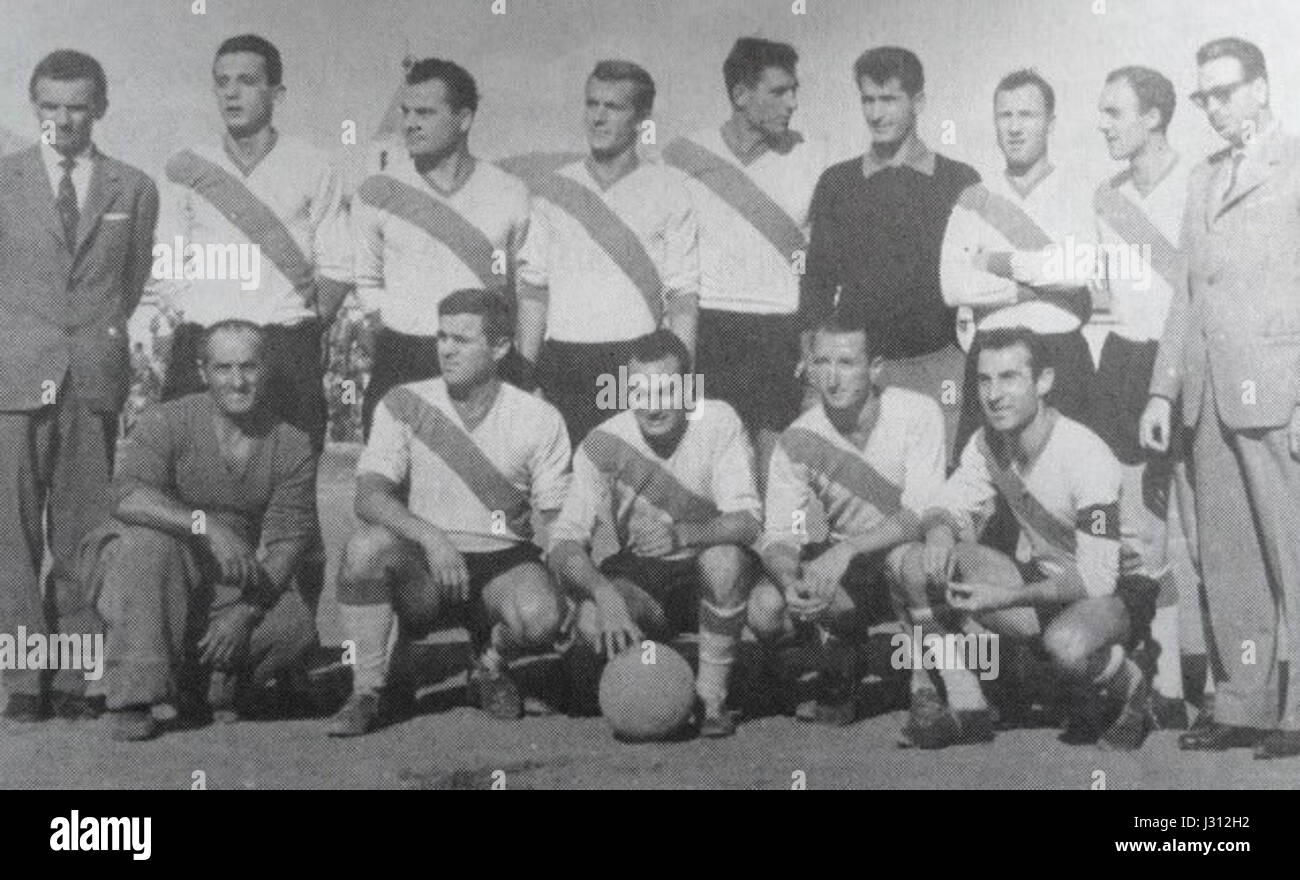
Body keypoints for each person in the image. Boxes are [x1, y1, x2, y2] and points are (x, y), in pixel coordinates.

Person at [1139, 37, 1300, 760]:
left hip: (1279, 391)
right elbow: (1188, 291)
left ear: (1262, 88)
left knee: (1293, 555)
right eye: (1203, 96)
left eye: (1225, 92)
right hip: (1207, 394)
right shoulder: (1203, 178)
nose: (1213, 108)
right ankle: (1245, 705)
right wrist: (1161, 389)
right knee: (1230, 562)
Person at [893, 328, 1159, 750]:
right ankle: (968, 705)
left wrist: (999, 599)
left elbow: (1095, 580)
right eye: (984, 380)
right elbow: (947, 504)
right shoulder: (988, 443)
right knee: (914, 562)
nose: (994, 394)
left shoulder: (1086, 455)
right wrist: (941, 534)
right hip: (1049, 581)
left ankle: (1130, 681)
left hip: (1117, 589)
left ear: (1044, 381)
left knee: (1067, 647)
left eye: (1010, 378)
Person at [329, 289, 571, 737]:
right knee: (365, 549)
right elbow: (368, 497)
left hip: (502, 562)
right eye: (441, 336)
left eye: (461, 339)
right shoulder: (404, 401)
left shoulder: (539, 417)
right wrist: (431, 538)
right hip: (427, 566)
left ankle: (488, 667)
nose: (445, 349)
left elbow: (557, 518)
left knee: (542, 616)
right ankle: (368, 689)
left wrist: (572, 582)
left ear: (499, 348)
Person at [0, 50, 158, 722]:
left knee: (85, 533)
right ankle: (23, 675)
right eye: (50, 107)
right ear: (34, 109)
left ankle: (75, 677)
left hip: (92, 375)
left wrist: (96, 341)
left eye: (78, 106)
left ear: (101, 107)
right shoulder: (3, 182)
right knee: (10, 534)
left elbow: (131, 282)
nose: (63, 120)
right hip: (11, 376)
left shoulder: (132, 187)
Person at [83, 321, 318, 741]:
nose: (238, 380)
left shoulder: (292, 444)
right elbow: (127, 496)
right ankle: (133, 694)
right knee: (153, 548)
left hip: (221, 579)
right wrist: (203, 525)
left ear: (266, 369)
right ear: (203, 370)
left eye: (249, 367)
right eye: (224, 368)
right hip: (145, 565)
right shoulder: (166, 419)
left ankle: (193, 683)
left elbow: (287, 545)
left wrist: (246, 613)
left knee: (294, 624)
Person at [548, 330, 760, 737]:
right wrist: (604, 594)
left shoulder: (717, 419)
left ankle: (711, 696)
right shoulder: (602, 442)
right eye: (640, 391)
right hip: (645, 574)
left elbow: (748, 520)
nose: (654, 404)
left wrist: (685, 534)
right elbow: (563, 544)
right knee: (591, 623)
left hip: (704, 564)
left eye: (667, 389)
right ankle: (652, 679)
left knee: (727, 560)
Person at [154, 34, 353, 452]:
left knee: (288, 491)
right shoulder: (190, 165)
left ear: (276, 93)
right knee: (190, 483)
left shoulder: (314, 165)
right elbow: (169, 261)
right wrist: (200, 320)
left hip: (283, 348)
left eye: (246, 81)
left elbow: (337, 268)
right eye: (222, 82)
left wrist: (297, 327)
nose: (231, 93)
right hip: (202, 344)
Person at [750, 321, 946, 725]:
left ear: (874, 368)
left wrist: (847, 549)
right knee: (766, 608)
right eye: (821, 361)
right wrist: (791, 583)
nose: (832, 377)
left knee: (907, 561)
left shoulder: (918, 412)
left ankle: (927, 684)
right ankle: (841, 651)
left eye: (846, 362)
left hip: (907, 556)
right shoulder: (798, 437)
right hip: (851, 569)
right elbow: (780, 534)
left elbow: (921, 515)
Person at [802, 47, 979, 462]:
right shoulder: (838, 183)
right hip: (860, 373)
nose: (877, 113)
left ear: (917, 102)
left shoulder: (959, 181)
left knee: (936, 500)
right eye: (868, 99)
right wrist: (814, 367)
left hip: (939, 367)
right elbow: (817, 284)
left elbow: (976, 282)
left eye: (889, 99)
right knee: (860, 495)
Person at [515, 60, 699, 445]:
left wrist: (680, 378)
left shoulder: (669, 189)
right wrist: (523, 376)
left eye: (613, 107)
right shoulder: (552, 189)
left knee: (628, 482)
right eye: (591, 104)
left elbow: (683, 297)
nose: (597, 117)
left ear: (641, 118)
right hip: (562, 362)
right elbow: (533, 291)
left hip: (635, 365)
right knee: (564, 489)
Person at [664, 37, 825, 466]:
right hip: (712, 327)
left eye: (794, 91)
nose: (791, 102)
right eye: (778, 91)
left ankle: (775, 534)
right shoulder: (683, 157)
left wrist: (811, 337)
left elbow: (821, 261)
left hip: (781, 329)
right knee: (713, 455)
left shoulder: (810, 157)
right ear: (740, 94)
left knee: (776, 458)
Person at [1091, 65, 1195, 727]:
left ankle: (1241, 686)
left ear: (1154, 116)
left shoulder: (1199, 182)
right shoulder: (1105, 195)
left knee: (1210, 533)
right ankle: (1167, 689)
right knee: (1142, 534)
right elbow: (1105, 296)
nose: (1103, 123)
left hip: (1191, 361)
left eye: (1115, 111)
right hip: (1128, 366)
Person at [353, 57, 531, 436]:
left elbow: (527, 286)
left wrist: (522, 367)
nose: (410, 123)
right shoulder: (377, 192)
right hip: (403, 360)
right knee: (392, 485)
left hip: (484, 363)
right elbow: (366, 279)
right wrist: (390, 330)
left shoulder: (509, 192)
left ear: (463, 119)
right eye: (405, 111)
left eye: (425, 112)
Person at [941, 69, 1098, 459]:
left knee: (1070, 485)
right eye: (1004, 116)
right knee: (986, 486)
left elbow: (1077, 270)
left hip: (1061, 357)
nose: (1013, 128)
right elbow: (953, 284)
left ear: (1050, 122)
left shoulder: (1078, 189)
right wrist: (1028, 287)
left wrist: (996, 261)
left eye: (1026, 115)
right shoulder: (974, 197)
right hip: (991, 355)